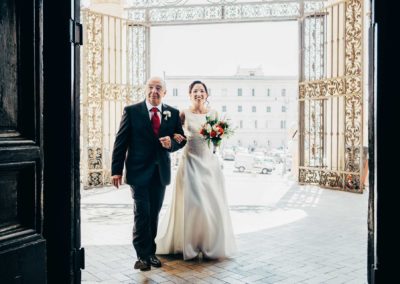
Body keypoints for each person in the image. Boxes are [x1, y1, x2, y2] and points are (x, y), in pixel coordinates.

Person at [111, 76, 186, 271]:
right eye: (151, 87)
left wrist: (173, 144)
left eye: (158, 88)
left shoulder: (173, 113)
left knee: (153, 214)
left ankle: (151, 252)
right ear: (146, 90)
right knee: (142, 213)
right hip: (138, 171)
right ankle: (142, 256)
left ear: (164, 92)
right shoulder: (132, 111)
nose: (154, 90)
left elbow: (180, 139)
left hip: (160, 173)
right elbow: (121, 142)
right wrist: (116, 170)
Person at [155, 80, 237, 260]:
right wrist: (172, 138)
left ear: (206, 95)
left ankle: (208, 243)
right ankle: (190, 244)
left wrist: (216, 137)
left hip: (209, 164)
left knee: (210, 204)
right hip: (190, 162)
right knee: (194, 204)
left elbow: (217, 141)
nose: (198, 93)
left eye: (201, 91)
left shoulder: (214, 113)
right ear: (190, 94)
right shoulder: (183, 114)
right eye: (195, 91)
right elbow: (176, 133)